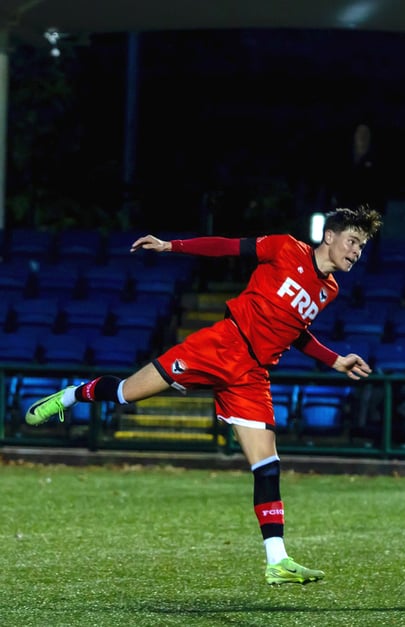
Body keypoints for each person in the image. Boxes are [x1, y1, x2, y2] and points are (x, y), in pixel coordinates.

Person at [25, 205, 383, 585]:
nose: (356, 251)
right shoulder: (285, 249)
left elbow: (293, 330)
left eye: (361, 246)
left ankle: (277, 560)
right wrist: (170, 246)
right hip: (222, 345)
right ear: (330, 236)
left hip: (251, 373)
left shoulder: (329, 290)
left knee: (267, 464)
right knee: (128, 394)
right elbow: (228, 247)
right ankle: (73, 396)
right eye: (352, 241)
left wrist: (334, 360)